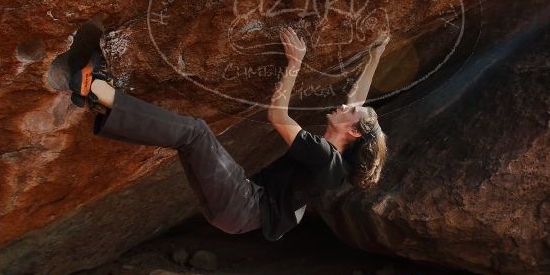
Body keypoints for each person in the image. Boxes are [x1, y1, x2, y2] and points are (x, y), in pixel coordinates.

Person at [69, 26, 389, 241]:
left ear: (354, 132)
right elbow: (357, 102)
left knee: (195, 133)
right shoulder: (334, 165)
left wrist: (295, 62)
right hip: (237, 213)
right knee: (186, 140)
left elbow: (277, 116)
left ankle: (97, 89)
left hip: (243, 202)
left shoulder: (324, 155)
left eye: (350, 113)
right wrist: (376, 53)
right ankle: (100, 103)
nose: (343, 106)